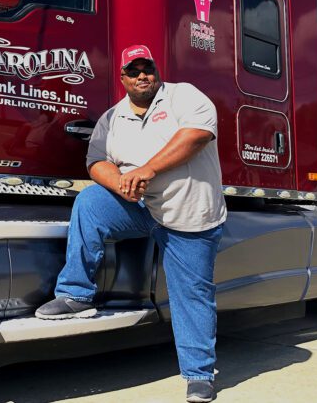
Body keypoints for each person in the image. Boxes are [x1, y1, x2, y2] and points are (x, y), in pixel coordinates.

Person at [35, 45, 227, 403]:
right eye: (133, 69)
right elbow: (95, 162)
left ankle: (199, 375)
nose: (142, 75)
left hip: (190, 213)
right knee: (90, 201)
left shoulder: (185, 96)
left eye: (147, 67)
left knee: (192, 295)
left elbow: (197, 135)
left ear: (156, 70)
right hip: (141, 207)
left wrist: (146, 170)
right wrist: (120, 182)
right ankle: (75, 293)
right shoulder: (112, 117)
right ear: (122, 77)